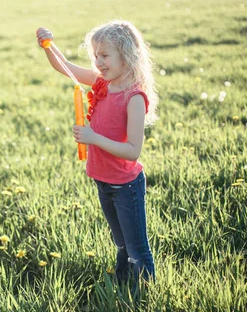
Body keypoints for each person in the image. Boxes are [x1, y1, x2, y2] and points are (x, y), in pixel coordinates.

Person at [36, 20, 159, 285]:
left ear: (126, 55)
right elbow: (65, 68)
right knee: (121, 244)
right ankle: (123, 287)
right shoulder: (101, 83)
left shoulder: (134, 97)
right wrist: (48, 45)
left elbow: (132, 151)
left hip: (126, 186)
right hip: (103, 180)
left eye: (104, 55)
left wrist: (94, 138)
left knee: (137, 250)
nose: (98, 62)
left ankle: (145, 296)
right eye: (95, 55)